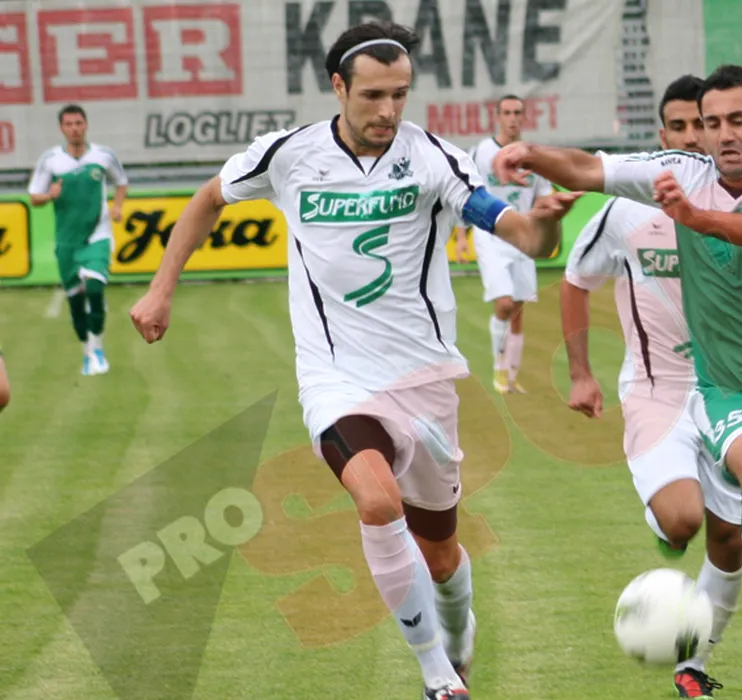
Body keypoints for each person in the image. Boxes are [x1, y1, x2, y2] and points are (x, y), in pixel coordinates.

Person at [129, 22, 579, 700]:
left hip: (424, 379)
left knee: (442, 554)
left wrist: (545, 223)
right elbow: (209, 199)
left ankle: (458, 634)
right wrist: (162, 288)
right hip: (336, 378)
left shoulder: (434, 158)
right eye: (373, 95)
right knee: (376, 500)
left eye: (400, 94)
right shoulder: (288, 154)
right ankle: (436, 675)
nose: (388, 110)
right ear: (338, 87)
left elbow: (519, 234)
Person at [494, 64, 742, 698]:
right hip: (722, 390)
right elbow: (587, 169)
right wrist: (530, 153)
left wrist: (693, 217)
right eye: (709, 122)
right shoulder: (677, 176)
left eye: (734, 121)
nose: (718, 135)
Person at [561, 75, 742, 699]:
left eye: (704, 124)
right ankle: (666, 526)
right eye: (681, 126)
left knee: (731, 539)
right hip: (655, 390)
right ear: (662, 134)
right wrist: (581, 373)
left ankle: (693, 665)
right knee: (684, 520)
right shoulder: (626, 210)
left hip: (729, 392)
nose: (693, 137)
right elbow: (576, 280)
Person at [455, 95, 553, 394]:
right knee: (504, 303)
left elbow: (544, 196)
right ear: (497, 117)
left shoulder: (534, 157)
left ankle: (511, 375)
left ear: (524, 117)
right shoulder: (481, 152)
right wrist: (461, 236)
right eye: (507, 113)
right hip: (491, 235)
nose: (512, 118)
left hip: (523, 237)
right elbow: (463, 192)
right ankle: (499, 367)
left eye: (517, 113)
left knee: (519, 310)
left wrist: (546, 223)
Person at [29, 104, 127, 376]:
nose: (75, 128)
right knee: (75, 301)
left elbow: (120, 181)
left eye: (78, 123)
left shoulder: (103, 156)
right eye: (69, 124)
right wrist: (50, 195)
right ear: (62, 128)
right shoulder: (51, 160)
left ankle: (98, 348)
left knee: (94, 289)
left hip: (97, 234)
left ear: (86, 125)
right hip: (67, 241)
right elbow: (34, 197)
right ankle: (87, 351)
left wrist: (118, 206)